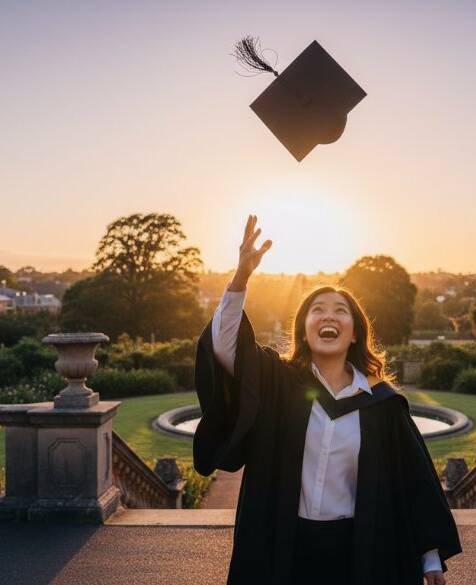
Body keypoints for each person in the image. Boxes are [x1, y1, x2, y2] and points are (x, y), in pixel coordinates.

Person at [193, 214, 461, 585]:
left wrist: (429, 559)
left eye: (339, 311)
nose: (327, 316)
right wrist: (241, 277)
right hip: (285, 545)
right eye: (316, 310)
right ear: (304, 330)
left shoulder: (381, 406)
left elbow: (411, 483)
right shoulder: (279, 384)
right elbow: (225, 348)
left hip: (359, 550)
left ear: (354, 333)